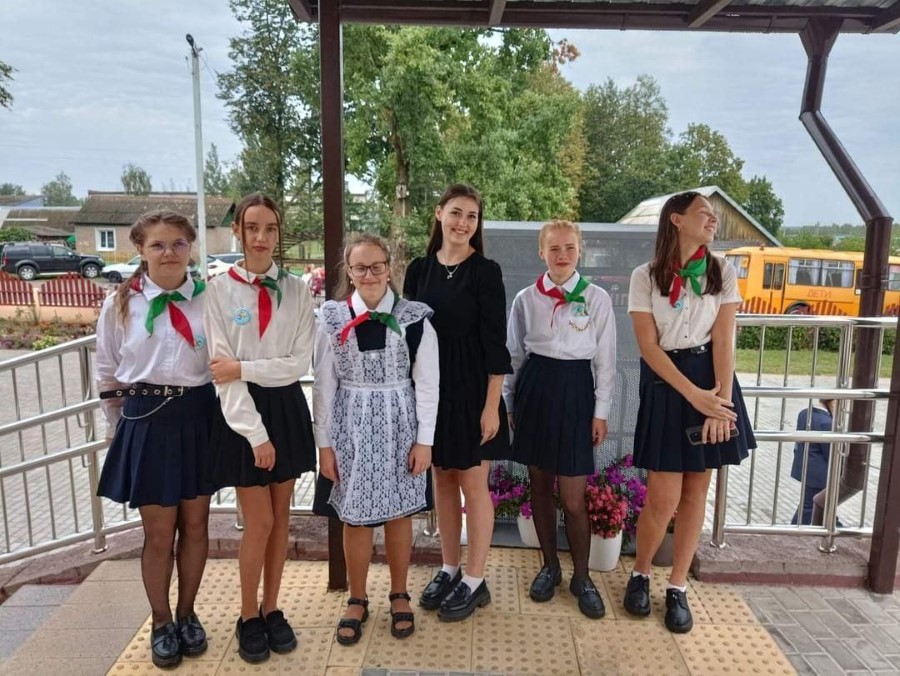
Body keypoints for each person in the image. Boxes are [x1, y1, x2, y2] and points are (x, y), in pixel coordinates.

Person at [624, 191, 755, 634]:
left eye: (714, 216)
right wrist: (693, 395)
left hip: (711, 380)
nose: (713, 220)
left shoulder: (723, 272)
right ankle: (641, 573)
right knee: (662, 497)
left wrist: (719, 405)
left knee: (697, 491)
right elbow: (648, 346)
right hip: (667, 383)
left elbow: (724, 340)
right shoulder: (645, 276)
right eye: (704, 213)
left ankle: (677, 586)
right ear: (676, 220)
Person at [95, 210, 217, 669]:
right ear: (141, 251)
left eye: (178, 244)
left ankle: (187, 614)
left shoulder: (209, 300)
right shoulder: (121, 304)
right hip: (145, 420)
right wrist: (115, 427)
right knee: (159, 532)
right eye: (158, 245)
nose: (169, 253)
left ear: (191, 248)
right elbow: (107, 371)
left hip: (197, 417)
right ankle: (161, 621)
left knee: (197, 525)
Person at [204, 193, 316, 664]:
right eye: (252, 227)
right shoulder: (217, 290)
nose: (261, 237)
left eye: (270, 228)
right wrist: (255, 434)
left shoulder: (298, 290)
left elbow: (298, 364)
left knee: (281, 519)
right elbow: (220, 369)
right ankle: (247, 614)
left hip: (285, 405)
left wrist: (244, 367)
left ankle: (272, 608)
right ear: (238, 230)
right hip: (242, 413)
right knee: (261, 522)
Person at [313, 233, 439, 645]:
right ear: (349, 272)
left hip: (400, 427)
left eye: (377, 266)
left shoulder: (414, 319)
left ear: (389, 268)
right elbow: (323, 385)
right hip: (350, 427)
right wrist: (324, 444)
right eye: (360, 268)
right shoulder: (332, 318)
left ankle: (399, 593)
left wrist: (425, 441)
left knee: (399, 513)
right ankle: (357, 597)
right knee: (355, 516)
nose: (369, 275)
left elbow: (428, 385)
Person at [403, 183, 513, 622]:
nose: (463, 223)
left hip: (473, 392)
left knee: (472, 482)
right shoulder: (419, 270)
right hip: (432, 392)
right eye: (456, 213)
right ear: (439, 214)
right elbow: (408, 335)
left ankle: (475, 578)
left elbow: (496, 344)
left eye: (471, 216)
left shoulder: (485, 272)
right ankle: (449, 567)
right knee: (442, 481)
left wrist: (491, 406)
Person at [504, 219, 616, 619]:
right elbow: (514, 354)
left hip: (576, 390)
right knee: (538, 484)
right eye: (554, 248)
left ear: (580, 250)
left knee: (572, 496)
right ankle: (549, 566)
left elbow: (606, 360)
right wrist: (510, 403)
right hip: (536, 387)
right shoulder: (525, 299)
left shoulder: (597, 298)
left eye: (569, 247)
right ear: (542, 252)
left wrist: (600, 412)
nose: (562, 255)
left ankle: (582, 577)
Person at [791, 399, 837, 526]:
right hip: (819, 473)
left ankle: (833, 524)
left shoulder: (804, 413)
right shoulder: (826, 423)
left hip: (806, 467)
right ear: (831, 403)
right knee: (810, 505)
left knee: (816, 503)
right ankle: (795, 529)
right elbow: (830, 452)